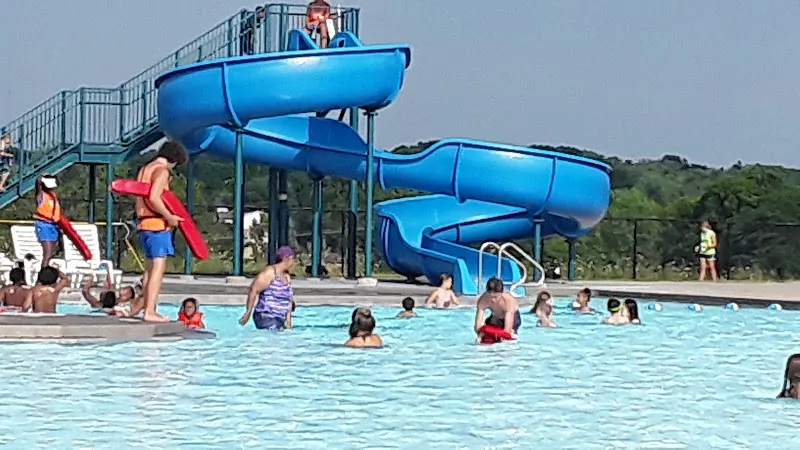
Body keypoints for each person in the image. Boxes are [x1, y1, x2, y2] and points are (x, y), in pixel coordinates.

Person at [135, 140, 188, 322]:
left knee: (149, 269)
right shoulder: (162, 171)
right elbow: (154, 197)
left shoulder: (145, 169)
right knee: (158, 268)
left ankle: (147, 308)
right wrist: (169, 217)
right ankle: (150, 311)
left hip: (143, 223)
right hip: (157, 224)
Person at [239, 246, 296, 330]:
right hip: (266, 316)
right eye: (292, 258)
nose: (294, 262)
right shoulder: (270, 273)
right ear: (286, 258)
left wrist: (288, 324)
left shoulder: (287, 277)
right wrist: (248, 312)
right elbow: (254, 289)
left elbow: (288, 302)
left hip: (279, 318)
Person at [33, 174, 62, 268]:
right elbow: (38, 186)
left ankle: (47, 273)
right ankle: (42, 277)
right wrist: (41, 178)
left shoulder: (53, 196)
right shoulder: (41, 195)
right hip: (44, 225)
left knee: (52, 252)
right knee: (47, 253)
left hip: (54, 225)